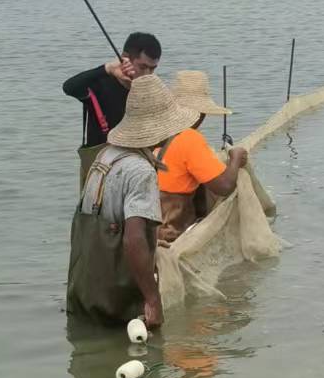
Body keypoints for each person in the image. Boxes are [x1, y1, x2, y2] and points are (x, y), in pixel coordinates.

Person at [66, 72, 192, 329]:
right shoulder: (141, 171)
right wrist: (153, 300)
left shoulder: (104, 156)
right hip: (116, 303)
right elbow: (133, 239)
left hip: (81, 294)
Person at [156, 70, 249, 244]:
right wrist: (235, 157)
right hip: (172, 234)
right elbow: (225, 186)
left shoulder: (155, 132)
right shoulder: (189, 138)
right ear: (201, 113)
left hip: (148, 231)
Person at [63, 32, 161, 185]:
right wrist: (107, 68)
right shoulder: (100, 84)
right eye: (143, 67)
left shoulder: (151, 91)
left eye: (153, 69)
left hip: (139, 168)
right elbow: (69, 87)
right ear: (125, 58)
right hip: (99, 169)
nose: (147, 74)